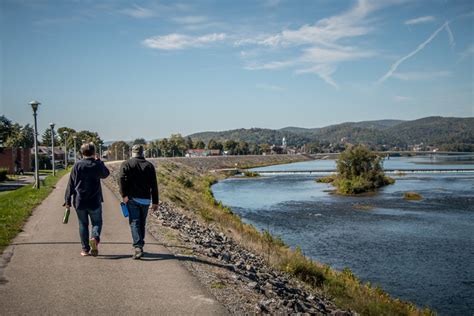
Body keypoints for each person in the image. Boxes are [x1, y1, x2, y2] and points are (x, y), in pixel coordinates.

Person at [65, 143, 110, 257]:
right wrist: (99, 161)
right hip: (94, 200)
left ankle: (85, 249)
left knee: (83, 224)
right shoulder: (96, 164)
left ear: (82, 153)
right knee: (97, 222)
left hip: (79, 201)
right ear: (94, 152)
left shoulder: (77, 165)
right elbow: (106, 174)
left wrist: (67, 200)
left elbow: (71, 184)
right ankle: (94, 238)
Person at [118, 144, 158, 259]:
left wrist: (124, 195)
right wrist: (155, 202)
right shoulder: (149, 166)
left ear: (132, 152)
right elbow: (154, 185)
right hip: (146, 200)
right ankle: (140, 244)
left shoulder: (126, 164)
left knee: (134, 222)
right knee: (142, 223)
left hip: (132, 199)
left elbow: (121, 179)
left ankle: (138, 246)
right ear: (142, 152)